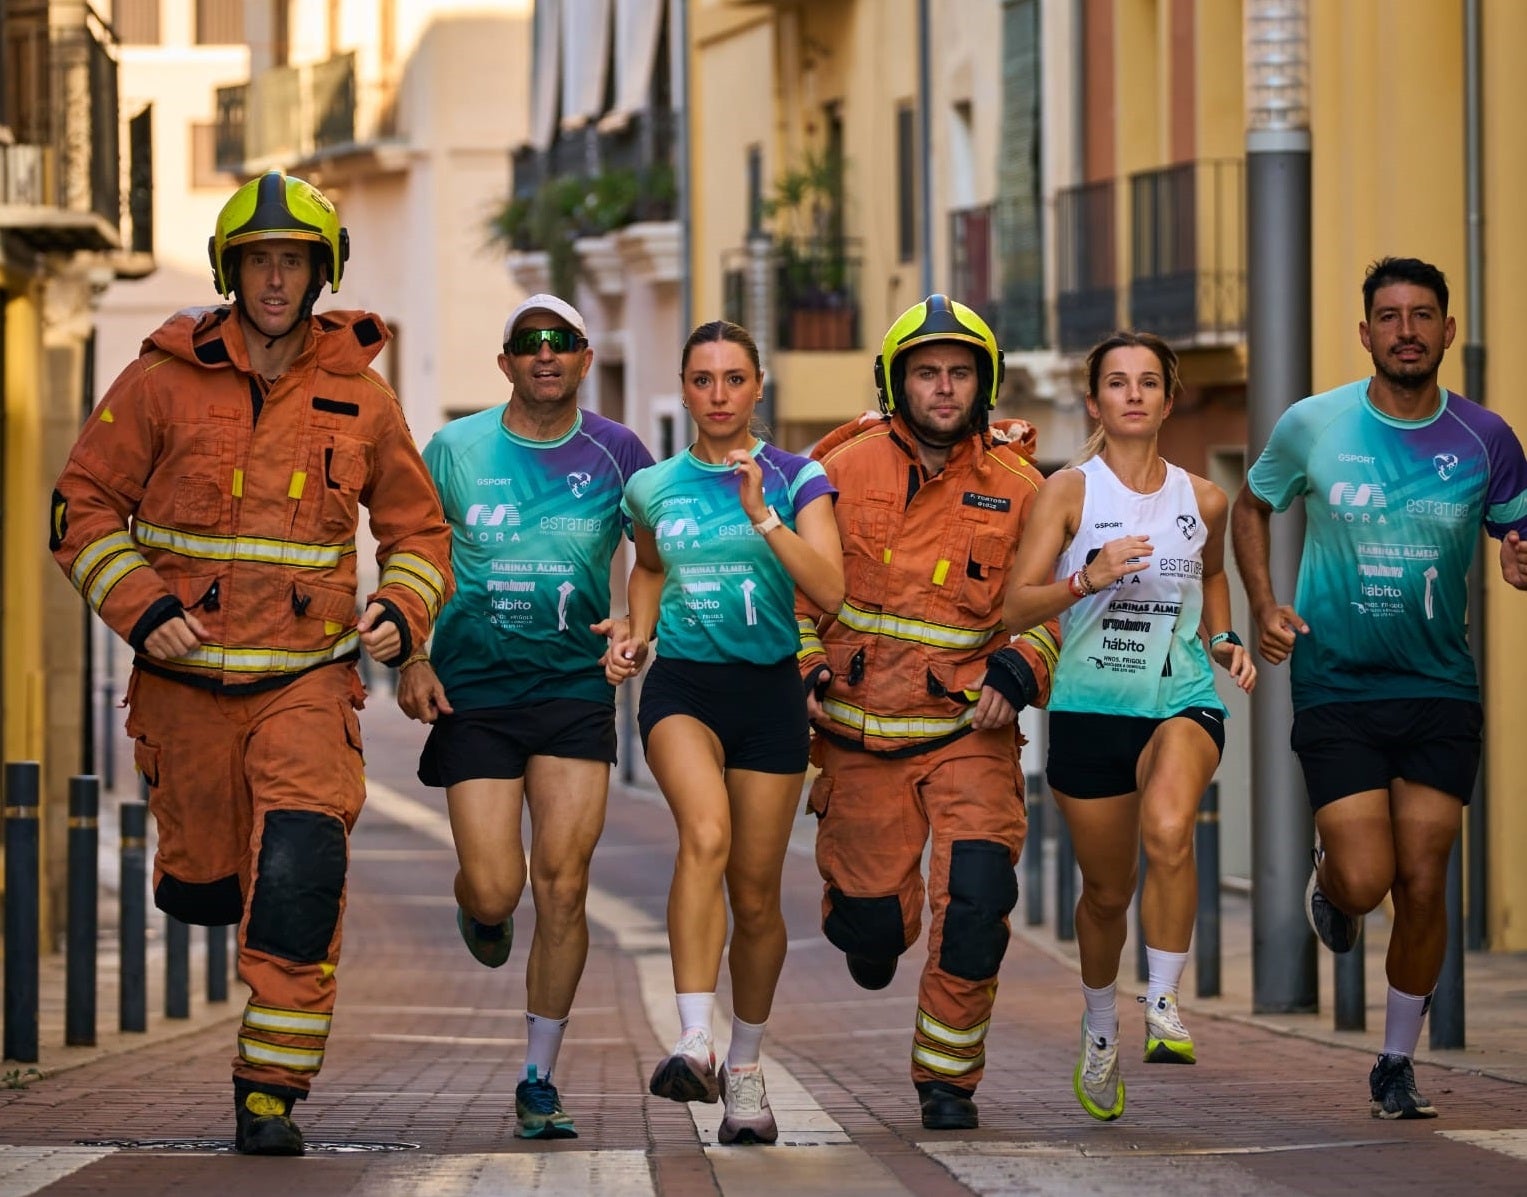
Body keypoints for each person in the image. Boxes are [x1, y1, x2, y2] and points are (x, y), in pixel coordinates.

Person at [49, 169, 454, 1155]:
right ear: (234, 272)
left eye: (295, 262)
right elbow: (81, 507)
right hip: (184, 689)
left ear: (322, 274)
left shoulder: (361, 397)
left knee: (303, 867)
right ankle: (199, 879)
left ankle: (270, 1085)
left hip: (306, 680)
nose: (277, 280)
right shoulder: (158, 380)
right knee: (203, 882)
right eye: (260, 261)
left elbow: (419, 531)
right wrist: (143, 612)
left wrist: (402, 609)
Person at [1232, 256, 1527, 1120]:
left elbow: (1518, 530)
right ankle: (1332, 884)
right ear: (1364, 333)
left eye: (1422, 314)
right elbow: (1252, 506)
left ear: (1446, 330)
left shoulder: (1485, 437)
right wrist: (1261, 602)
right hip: (1337, 683)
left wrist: (1517, 555)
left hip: (1440, 684)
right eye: (1389, 316)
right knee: (1368, 881)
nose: (1406, 330)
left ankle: (1395, 1062)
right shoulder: (1313, 425)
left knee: (1425, 881)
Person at [794, 294, 1060, 1131]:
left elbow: (1052, 600)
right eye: (924, 372)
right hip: (855, 736)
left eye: (957, 373)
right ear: (894, 381)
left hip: (967, 737)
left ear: (983, 383)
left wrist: (1021, 666)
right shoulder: (836, 465)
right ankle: (867, 925)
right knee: (873, 931)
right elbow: (791, 575)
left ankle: (947, 1079)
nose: (941, 388)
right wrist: (803, 661)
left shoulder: (1022, 487)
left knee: (978, 904)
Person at [395, 294, 654, 1139]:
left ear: (584, 359)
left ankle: (538, 1078)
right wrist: (412, 655)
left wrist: (634, 627)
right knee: (501, 885)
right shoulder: (455, 448)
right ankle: (480, 907)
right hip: (473, 691)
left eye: (563, 342)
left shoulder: (619, 452)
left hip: (575, 691)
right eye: (528, 343)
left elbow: (654, 558)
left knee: (565, 887)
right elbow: (410, 555)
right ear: (504, 361)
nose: (546, 355)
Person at [1004, 331, 1256, 1122]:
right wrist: (1087, 576)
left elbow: (1211, 575)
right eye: (1118, 382)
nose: (1135, 394)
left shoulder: (1202, 498)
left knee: (1170, 827)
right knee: (1105, 894)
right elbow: (1015, 604)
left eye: (1149, 381)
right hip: (1087, 710)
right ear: (1095, 402)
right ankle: (1101, 1026)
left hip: (1178, 697)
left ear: (1168, 398)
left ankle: (1163, 1001)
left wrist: (1221, 639)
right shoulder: (1068, 493)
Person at [603, 319, 844, 1145]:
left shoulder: (798, 476)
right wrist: (636, 635)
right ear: (684, 388)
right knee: (703, 834)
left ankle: (744, 1067)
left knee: (754, 894)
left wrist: (765, 517)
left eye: (732, 379)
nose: (717, 395)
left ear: (757, 388)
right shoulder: (654, 486)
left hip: (770, 696)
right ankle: (692, 1036)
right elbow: (650, 565)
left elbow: (833, 590)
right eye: (702, 379)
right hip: (683, 690)